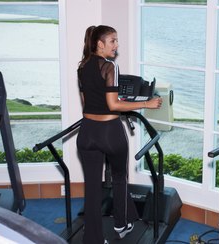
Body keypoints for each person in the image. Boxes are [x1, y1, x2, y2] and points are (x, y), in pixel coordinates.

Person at [76, 25, 162, 244]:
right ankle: (121, 225)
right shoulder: (110, 66)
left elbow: (86, 104)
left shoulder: (82, 66)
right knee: (118, 177)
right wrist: (147, 104)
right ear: (99, 43)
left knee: (93, 187)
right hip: (109, 132)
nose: (117, 45)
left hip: (86, 133)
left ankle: (93, 239)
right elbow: (113, 104)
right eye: (112, 40)